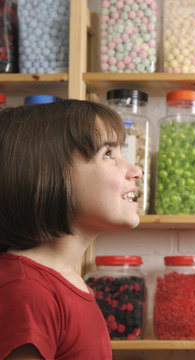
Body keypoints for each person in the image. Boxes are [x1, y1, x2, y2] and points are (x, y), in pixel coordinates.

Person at [0, 100, 142, 359]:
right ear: (48, 173)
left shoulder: (68, 281)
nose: (135, 170)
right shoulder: (26, 292)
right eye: (108, 154)